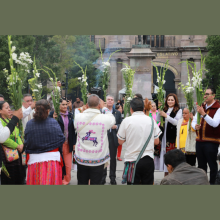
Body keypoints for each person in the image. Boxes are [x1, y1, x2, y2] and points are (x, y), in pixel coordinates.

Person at [117, 97, 161, 185]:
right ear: (143, 108)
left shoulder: (126, 121)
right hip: (148, 160)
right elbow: (157, 141)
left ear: (131, 109)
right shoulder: (151, 121)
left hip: (132, 161)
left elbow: (120, 142)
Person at [74, 94, 115, 185]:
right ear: (99, 105)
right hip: (98, 160)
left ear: (87, 105)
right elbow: (112, 118)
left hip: (82, 159)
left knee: (81, 183)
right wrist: (104, 108)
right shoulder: (105, 118)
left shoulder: (78, 117)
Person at [24, 99, 65, 185]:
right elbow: (61, 139)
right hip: (52, 160)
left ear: (35, 109)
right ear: (48, 111)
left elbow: (27, 141)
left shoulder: (29, 124)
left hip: (35, 160)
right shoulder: (53, 122)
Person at [192, 87, 220, 185]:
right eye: (204, 94)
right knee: (201, 166)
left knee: (212, 165)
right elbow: (194, 121)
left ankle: (213, 184)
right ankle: (202, 184)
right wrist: (195, 126)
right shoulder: (201, 106)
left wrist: (203, 114)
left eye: (207, 94)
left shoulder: (218, 108)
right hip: (199, 142)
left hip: (211, 142)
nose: (205, 96)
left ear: (213, 95)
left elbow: (215, 123)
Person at [49, 98, 76, 185]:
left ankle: (66, 180)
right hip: (58, 144)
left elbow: (73, 130)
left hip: (68, 143)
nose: (65, 106)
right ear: (58, 105)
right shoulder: (54, 115)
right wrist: (52, 118)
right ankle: (58, 179)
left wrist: (74, 143)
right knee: (58, 163)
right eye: (63, 104)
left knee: (68, 164)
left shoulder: (71, 115)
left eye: (66, 104)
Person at [155, 93, 182, 175]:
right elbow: (158, 119)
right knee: (164, 157)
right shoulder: (164, 109)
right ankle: (165, 176)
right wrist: (159, 111)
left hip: (171, 136)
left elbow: (176, 122)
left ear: (175, 101)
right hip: (163, 135)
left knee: (171, 157)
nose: (170, 101)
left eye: (172, 100)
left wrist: (166, 116)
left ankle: (171, 176)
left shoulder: (178, 110)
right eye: (168, 100)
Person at [0, 101, 24, 185]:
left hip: (15, 154)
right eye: (6, 108)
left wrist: (21, 144)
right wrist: (17, 146)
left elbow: (17, 133)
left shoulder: (9, 120)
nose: (9, 109)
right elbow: (4, 138)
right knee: (9, 179)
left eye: (9, 107)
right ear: (0, 111)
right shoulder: (0, 121)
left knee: (17, 178)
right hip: (6, 155)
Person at [101, 95, 122, 185]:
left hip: (113, 137)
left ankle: (112, 177)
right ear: (106, 101)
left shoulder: (117, 113)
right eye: (108, 99)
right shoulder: (101, 112)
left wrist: (116, 126)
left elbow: (121, 124)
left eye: (111, 100)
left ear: (113, 102)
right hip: (104, 138)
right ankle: (103, 177)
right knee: (103, 158)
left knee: (113, 159)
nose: (110, 101)